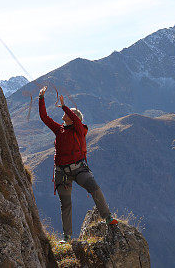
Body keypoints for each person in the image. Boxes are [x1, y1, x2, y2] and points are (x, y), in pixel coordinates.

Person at [38, 86, 118, 242]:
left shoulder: (80, 130)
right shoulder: (59, 129)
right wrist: (41, 98)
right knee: (65, 204)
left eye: (68, 114)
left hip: (79, 168)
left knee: (94, 188)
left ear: (74, 117)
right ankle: (67, 237)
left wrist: (64, 106)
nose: (64, 115)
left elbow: (75, 120)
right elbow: (44, 117)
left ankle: (107, 217)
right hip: (61, 172)